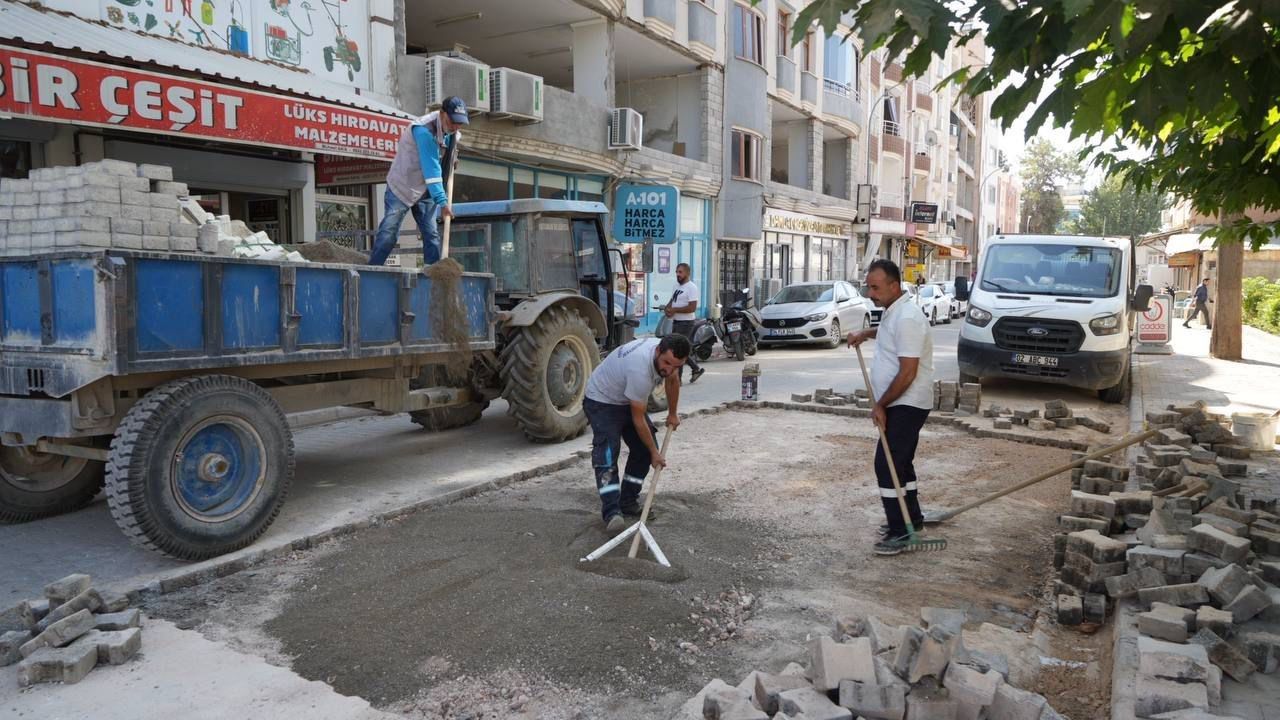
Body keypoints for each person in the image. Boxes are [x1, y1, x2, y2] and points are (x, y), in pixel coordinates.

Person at [846, 259, 935, 556]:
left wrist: (881, 405)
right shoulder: (894, 311)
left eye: (875, 288)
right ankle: (912, 519)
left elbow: (908, 372)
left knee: (887, 465)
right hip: (901, 401)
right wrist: (864, 334)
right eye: (869, 287)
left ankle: (900, 532)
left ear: (894, 285)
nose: (870, 294)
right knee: (901, 463)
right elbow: (887, 332)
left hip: (906, 402)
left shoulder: (907, 317)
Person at [584, 334, 689, 534]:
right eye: (667, 363)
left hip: (626, 397)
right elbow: (638, 419)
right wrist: (655, 453)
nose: (669, 369)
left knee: (644, 451)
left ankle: (627, 501)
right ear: (657, 351)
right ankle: (612, 512)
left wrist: (673, 414)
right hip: (602, 399)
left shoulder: (669, 359)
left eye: (677, 365)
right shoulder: (640, 369)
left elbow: (672, 380)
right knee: (607, 453)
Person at [368, 96, 469, 267]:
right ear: (442, 113)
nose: (455, 126)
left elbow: (441, 157)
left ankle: (433, 274)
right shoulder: (424, 131)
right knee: (389, 233)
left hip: (425, 190)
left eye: (459, 123)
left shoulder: (451, 133)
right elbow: (432, 170)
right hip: (403, 186)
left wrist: (451, 159)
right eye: (452, 121)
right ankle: (372, 271)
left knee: (431, 235)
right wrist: (443, 202)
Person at [664, 263, 705, 383]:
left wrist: (675, 310)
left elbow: (692, 308)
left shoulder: (691, 287)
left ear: (687, 273)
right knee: (677, 349)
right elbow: (673, 300)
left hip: (686, 323)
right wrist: (668, 308)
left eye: (680, 272)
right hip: (676, 321)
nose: (678, 274)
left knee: (678, 350)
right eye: (677, 272)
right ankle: (695, 369)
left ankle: (678, 379)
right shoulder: (676, 286)